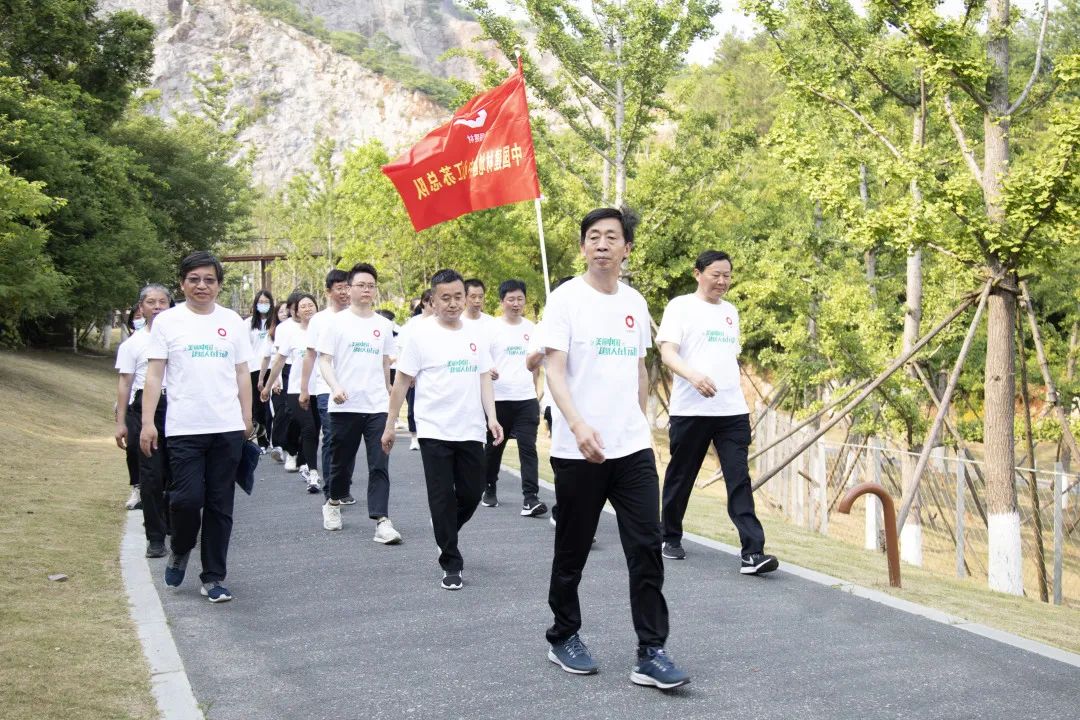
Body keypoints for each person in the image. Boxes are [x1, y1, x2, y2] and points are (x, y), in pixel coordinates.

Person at [541, 207, 689, 689]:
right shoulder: (565, 299)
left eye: (612, 236)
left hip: (631, 450)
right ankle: (564, 635)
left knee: (646, 547)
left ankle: (651, 650)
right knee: (573, 550)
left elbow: (639, 369)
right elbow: (553, 370)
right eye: (593, 236)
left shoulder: (635, 302)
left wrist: (640, 424)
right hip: (578, 449)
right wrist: (577, 424)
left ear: (627, 248)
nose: (602, 244)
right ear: (582, 246)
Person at [140, 251, 253, 603]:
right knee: (186, 500)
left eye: (209, 280)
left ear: (218, 285)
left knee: (220, 505)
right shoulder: (167, 322)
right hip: (184, 428)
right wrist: (147, 422)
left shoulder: (232, 321)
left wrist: (246, 416)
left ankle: (214, 577)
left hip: (226, 428)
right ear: (182, 283)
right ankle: (181, 546)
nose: (202, 285)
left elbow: (242, 373)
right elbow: (154, 375)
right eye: (194, 279)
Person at [656, 250, 779, 575]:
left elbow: (726, 358)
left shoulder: (731, 312)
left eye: (727, 275)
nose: (722, 281)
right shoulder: (680, 307)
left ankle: (753, 552)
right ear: (697, 274)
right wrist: (693, 376)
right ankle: (669, 535)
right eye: (716, 275)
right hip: (691, 410)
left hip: (731, 411)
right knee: (682, 476)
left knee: (739, 478)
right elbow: (667, 353)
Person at [382, 269, 503, 590]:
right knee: (441, 495)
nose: (452, 303)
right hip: (434, 430)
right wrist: (390, 424)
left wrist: (492, 417)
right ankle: (451, 561)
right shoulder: (420, 335)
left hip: (471, 428)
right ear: (432, 301)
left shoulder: (476, 335)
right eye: (445, 298)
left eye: (457, 297)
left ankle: (444, 527)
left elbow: (483, 378)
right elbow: (401, 382)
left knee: (472, 493)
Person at [318, 263, 401, 543]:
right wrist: (335, 387)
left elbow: (385, 363)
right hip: (345, 405)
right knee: (341, 463)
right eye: (361, 285)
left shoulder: (384, 325)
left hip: (376, 406)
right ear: (349, 288)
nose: (366, 290)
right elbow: (324, 361)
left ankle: (382, 520)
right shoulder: (335, 323)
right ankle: (333, 502)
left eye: (371, 286)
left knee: (379, 463)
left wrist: (390, 394)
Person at [115, 285, 173, 557]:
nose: (157, 306)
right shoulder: (133, 344)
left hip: (178, 406)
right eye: (151, 302)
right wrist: (121, 422)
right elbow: (125, 383)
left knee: (178, 471)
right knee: (151, 475)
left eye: (163, 302)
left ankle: (174, 523)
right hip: (144, 409)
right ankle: (156, 538)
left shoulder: (181, 337)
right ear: (141, 307)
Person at [482, 279, 546, 516]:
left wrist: (536, 391)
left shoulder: (533, 328)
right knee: (494, 448)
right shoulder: (490, 328)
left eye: (520, 299)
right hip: (498, 400)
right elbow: (480, 360)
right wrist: (488, 370)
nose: (516, 303)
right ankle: (489, 486)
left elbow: (536, 364)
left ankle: (530, 498)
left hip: (526, 399)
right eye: (511, 299)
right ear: (502, 301)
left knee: (528, 448)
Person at [262, 293, 321, 493]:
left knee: (315, 430)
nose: (307, 309)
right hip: (296, 390)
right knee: (308, 428)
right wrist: (268, 386)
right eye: (302, 306)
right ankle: (313, 473)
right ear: (296, 312)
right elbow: (278, 361)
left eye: (310, 305)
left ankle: (304, 462)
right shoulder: (291, 333)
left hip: (320, 390)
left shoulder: (326, 332)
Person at [300, 269, 350, 501]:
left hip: (353, 390)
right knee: (331, 437)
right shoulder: (319, 320)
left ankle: (342, 484)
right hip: (325, 389)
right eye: (340, 288)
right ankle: (333, 490)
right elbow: (310, 355)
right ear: (328, 292)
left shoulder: (358, 317)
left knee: (347, 440)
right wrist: (304, 389)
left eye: (348, 287)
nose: (345, 292)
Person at [396, 290, 433, 451]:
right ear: (424, 302)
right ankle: (414, 436)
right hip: (412, 373)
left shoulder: (443, 322)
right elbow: (402, 350)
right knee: (412, 407)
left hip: (432, 374)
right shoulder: (412, 325)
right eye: (431, 301)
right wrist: (408, 373)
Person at [121, 304, 145, 511]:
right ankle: (137, 487)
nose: (141, 319)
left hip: (164, 401)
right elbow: (125, 380)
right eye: (137, 316)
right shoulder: (129, 345)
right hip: (134, 403)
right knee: (133, 446)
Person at [261, 300, 290, 462]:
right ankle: (277, 445)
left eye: (287, 310)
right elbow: (268, 359)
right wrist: (265, 380)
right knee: (280, 411)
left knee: (292, 413)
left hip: (292, 377)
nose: (285, 314)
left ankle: (291, 446)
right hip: (276, 378)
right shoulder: (272, 335)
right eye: (281, 311)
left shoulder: (298, 331)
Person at [248, 290, 275, 450]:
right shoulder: (248, 324)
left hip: (273, 368)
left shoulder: (275, 322)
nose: (263, 305)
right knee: (258, 407)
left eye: (266, 302)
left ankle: (273, 438)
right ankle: (262, 441)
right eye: (260, 302)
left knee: (272, 406)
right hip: (254, 369)